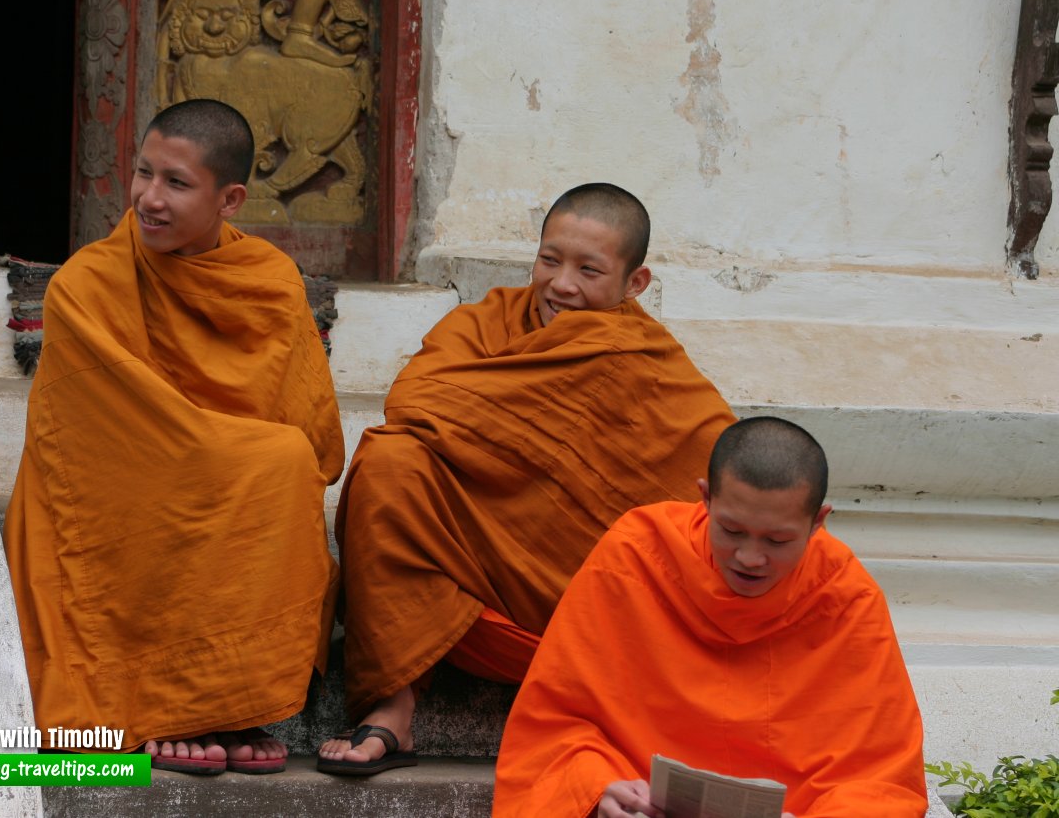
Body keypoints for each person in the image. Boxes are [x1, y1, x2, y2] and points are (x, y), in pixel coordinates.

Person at [318, 183, 735, 775]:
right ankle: (394, 706)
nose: (562, 284)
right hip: (466, 572)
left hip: (579, 594)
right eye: (550, 260)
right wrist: (513, 451)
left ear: (634, 284)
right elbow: (414, 400)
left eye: (590, 270)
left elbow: (722, 480)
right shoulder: (485, 322)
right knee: (391, 461)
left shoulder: (646, 365)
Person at [2, 98, 343, 775]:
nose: (148, 198)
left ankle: (231, 702)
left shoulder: (268, 281)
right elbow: (102, 441)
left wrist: (236, 454)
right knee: (254, 463)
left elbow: (309, 429)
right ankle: (164, 708)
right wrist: (226, 453)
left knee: (282, 463)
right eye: (142, 172)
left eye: (176, 183)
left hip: (218, 480)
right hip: (121, 488)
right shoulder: (87, 285)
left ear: (231, 198)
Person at [492, 417, 927, 818]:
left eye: (778, 540)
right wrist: (599, 787)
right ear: (705, 498)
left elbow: (882, 775)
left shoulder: (845, 595)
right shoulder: (637, 554)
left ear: (817, 522)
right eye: (731, 531)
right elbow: (555, 720)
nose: (750, 558)